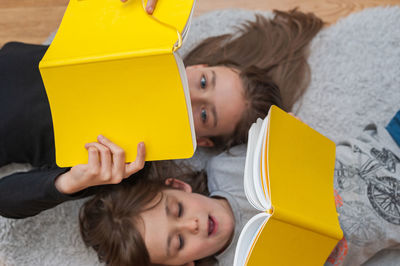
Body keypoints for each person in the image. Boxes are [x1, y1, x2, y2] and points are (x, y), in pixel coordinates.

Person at [0, 9, 323, 218]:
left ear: (203, 141)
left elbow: (6, 199)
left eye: (205, 114)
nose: (190, 95)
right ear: (198, 66)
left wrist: (68, 182)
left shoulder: (124, 162)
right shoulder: (138, 44)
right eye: (202, 82)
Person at [79, 112, 400, 266]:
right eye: (177, 242)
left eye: (177, 210)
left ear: (179, 186)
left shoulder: (228, 166)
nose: (192, 224)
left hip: (385, 146)